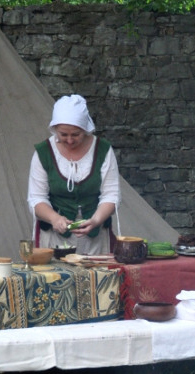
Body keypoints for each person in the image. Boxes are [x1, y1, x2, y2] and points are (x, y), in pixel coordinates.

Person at [27, 94, 120, 255]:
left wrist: (96, 220)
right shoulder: (44, 153)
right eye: (63, 134)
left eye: (76, 134)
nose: (69, 140)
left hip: (95, 237)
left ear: (85, 129)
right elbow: (36, 197)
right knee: (56, 278)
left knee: (96, 279)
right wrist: (55, 219)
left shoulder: (102, 150)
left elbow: (111, 195)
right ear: (55, 129)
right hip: (54, 238)